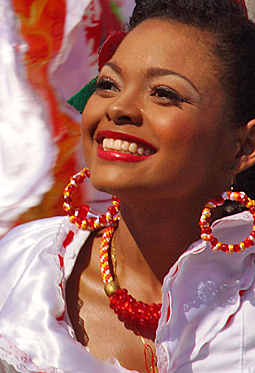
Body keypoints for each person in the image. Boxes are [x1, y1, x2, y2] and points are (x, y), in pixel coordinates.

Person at [1, 0, 255, 371]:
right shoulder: (20, 268)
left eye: (164, 93)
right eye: (108, 84)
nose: (119, 107)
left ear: (243, 147)